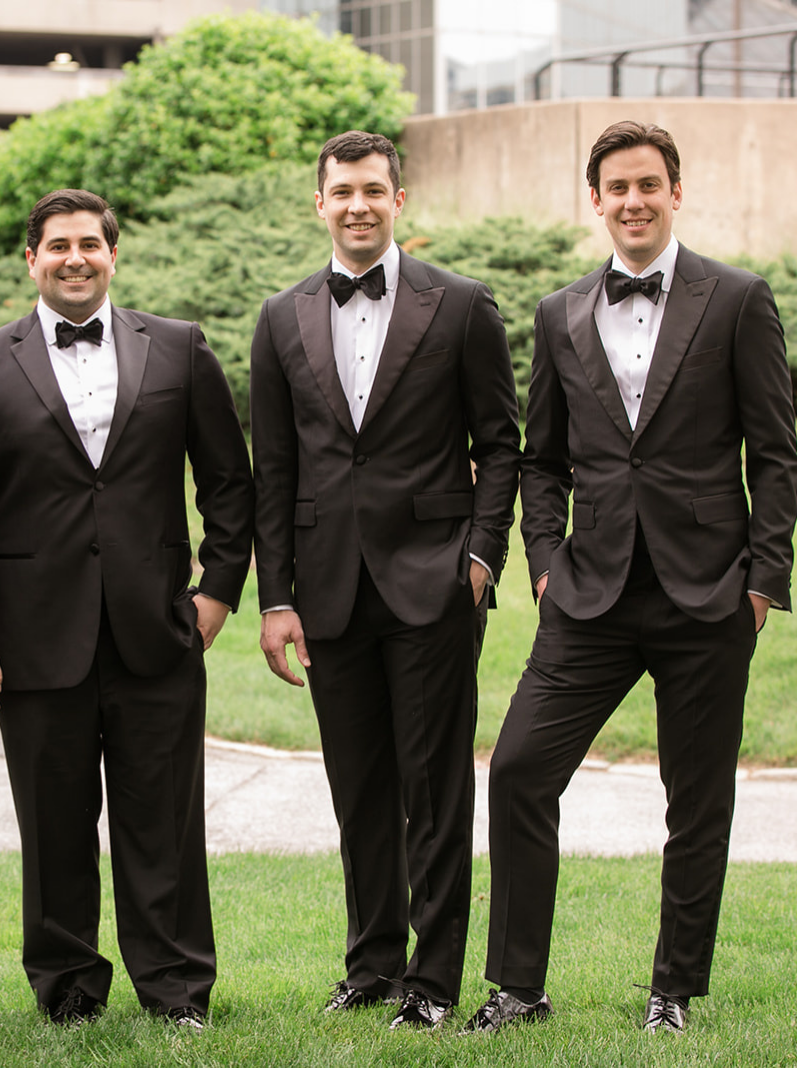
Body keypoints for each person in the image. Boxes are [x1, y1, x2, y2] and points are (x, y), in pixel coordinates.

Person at [464, 120, 797, 1037]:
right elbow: (542, 459)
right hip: (589, 596)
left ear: (675, 192)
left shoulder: (737, 299)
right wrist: (542, 563)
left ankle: (673, 993)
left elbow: (775, 454)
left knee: (697, 803)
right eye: (617, 187)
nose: (634, 201)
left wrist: (764, 580)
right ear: (596, 201)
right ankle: (518, 989)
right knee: (522, 771)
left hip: (709, 595)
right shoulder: (559, 311)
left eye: (649, 184)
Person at [0, 189, 253, 1029]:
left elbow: (229, 482)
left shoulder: (180, 349)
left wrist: (217, 591)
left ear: (113, 253)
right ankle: (68, 991)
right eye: (57, 246)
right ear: (30, 259)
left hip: (157, 630)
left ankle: (177, 991)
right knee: (54, 826)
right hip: (31, 639)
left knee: (166, 825)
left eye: (90, 244)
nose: (75, 258)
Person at [250, 131, 522, 1029]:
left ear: (399, 200)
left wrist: (480, 559)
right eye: (342, 192)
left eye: (374, 189)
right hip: (328, 589)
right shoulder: (281, 317)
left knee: (435, 786)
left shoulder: (463, 307)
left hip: (435, 584)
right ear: (318, 204)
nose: (358, 204)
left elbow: (501, 444)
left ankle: (434, 982)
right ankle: (370, 964)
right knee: (357, 784)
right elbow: (275, 468)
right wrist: (277, 596)